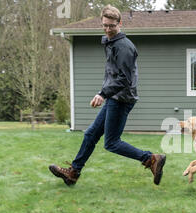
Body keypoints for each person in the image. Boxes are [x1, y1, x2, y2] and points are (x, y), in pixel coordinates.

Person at [49, 5, 166, 186]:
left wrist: (103, 94)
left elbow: (124, 79)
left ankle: (151, 159)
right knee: (90, 135)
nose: (108, 29)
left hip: (121, 99)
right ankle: (73, 172)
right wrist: (105, 93)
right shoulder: (111, 43)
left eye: (111, 26)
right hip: (115, 97)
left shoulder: (124, 47)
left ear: (119, 23)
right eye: (105, 25)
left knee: (111, 142)